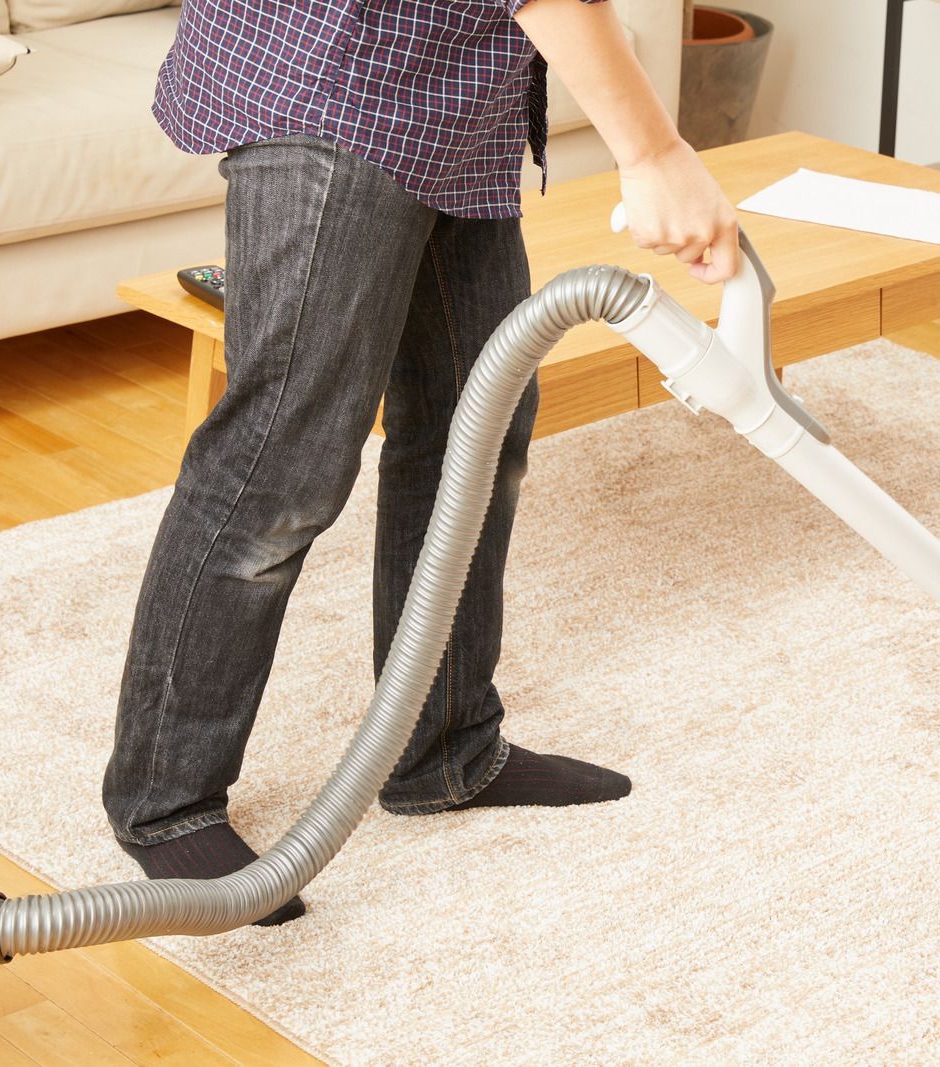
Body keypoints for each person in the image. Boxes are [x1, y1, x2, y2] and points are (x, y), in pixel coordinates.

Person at [102, 0, 739, 925]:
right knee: (285, 460)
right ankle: (163, 800)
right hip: (340, 80)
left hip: (450, 98)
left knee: (476, 421)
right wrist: (654, 154)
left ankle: (442, 744)